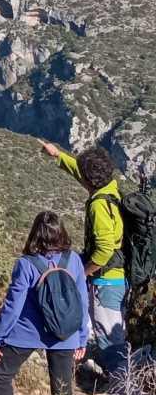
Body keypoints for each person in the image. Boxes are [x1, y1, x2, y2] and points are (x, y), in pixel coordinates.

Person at [0, 211, 89, 395]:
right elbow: (82, 301)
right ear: (61, 232)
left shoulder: (26, 264)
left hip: (28, 332)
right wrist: (81, 337)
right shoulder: (74, 260)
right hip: (65, 334)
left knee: (0, 374)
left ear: (35, 233)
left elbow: (13, 306)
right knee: (62, 389)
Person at [40, 142, 126, 370]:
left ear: (90, 181)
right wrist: (58, 155)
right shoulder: (110, 189)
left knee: (111, 343)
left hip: (106, 281)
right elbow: (82, 174)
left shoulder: (99, 205)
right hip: (117, 277)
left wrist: (83, 271)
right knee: (113, 337)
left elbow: (105, 249)